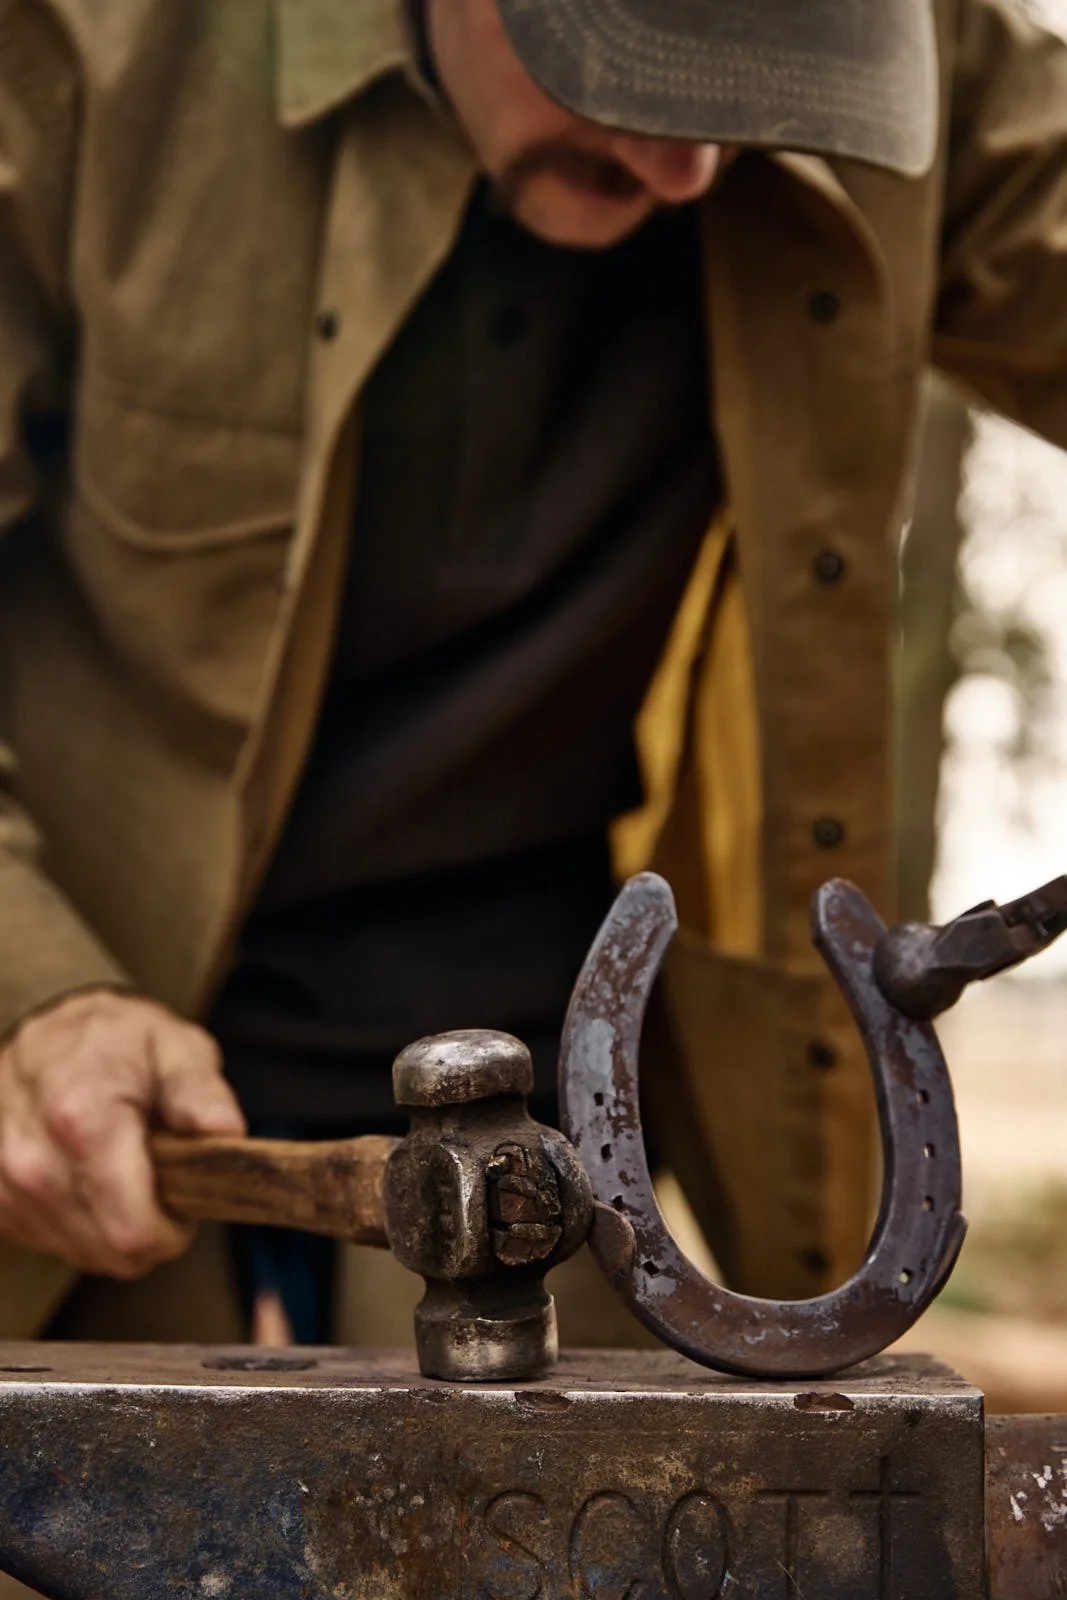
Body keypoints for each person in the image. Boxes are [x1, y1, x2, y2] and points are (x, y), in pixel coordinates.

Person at [0, 0, 1064, 1344]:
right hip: (109, 1151)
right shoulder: (90, 43)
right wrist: (28, 994)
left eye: (760, 111)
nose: (685, 169)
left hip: (569, 1183)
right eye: (631, 68)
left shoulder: (928, 50)